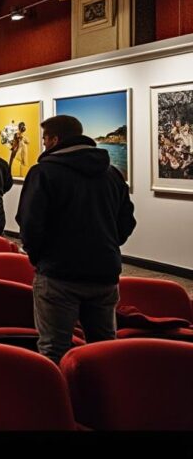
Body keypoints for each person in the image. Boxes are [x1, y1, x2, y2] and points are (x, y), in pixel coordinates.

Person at [17, 115, 136, 364]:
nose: (43, 144)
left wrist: (40, 258)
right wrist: (105, 246)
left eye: (45, 139)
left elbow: (30, 225)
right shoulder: (112, 174)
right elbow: (126, 222)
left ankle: (59, 391)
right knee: (104, 349)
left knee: (54, 349)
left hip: (58, 275)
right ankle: (100, 390)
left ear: (55, 139)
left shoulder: (43, 172)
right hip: (104, 273)